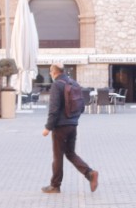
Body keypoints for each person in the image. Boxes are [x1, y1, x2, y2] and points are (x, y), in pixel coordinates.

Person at [42, 63, 98, 194]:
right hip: (73, 124)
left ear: (53, 72)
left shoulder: (57, 84)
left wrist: (48, 127)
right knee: (70, 153)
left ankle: (55, 185)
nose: (50, 74)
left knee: (58, 156)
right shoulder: (73, 83)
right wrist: (73, 119)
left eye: (50, 72)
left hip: (60, 126)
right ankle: (90, 174)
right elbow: (82, 106)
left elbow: (54, 109)